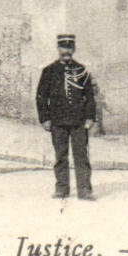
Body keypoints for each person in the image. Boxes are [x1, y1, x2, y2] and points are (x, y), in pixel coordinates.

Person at [36, 33, 99, 201]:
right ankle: (62, 189)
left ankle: (84, 190)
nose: (66, 51)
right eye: (63, 48)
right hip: (58, 121)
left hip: (79, 121)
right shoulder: (49, 71)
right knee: (60, 156)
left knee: (81, 156)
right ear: (58, 49)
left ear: (74, 49)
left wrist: (90, 117)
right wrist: (45, 118)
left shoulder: (81, 70)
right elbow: (41, 97)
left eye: (70, 48)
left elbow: (89, 96)